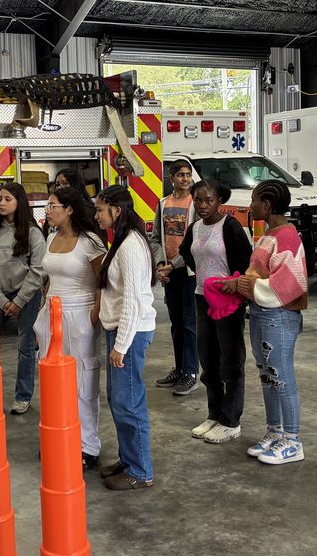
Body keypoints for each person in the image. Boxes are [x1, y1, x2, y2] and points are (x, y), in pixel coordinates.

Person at [34, 187, 107, 471]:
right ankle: (57, 437)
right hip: (51, 315)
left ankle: (87, 446)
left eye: (53, 206)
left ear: (69, 209)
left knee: (82, 383)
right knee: (53, 381)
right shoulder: (51, 237)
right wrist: (44, 309)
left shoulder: (89, 241)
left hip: (80, 313)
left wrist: (93, 316)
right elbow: (51, 278)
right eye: (48, 205)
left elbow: (103, 280)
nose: (48, 210)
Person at [238, 179, 309, 465]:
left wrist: (243, 285)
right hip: (261, 313)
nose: (250, 205)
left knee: (282, 378)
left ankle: (293, 440)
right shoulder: (269, 234)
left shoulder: (287, 237)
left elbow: (289, 285)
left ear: (267, 205)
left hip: (279, 317)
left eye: (254, 200)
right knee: (268, 377)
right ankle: (275, 431)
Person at [93, 185, 157, 490]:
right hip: (119, 330)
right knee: (118, 400)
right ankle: (129, 459)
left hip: (129, 332)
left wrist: (121, 345)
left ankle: (141, 471)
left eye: (100, 210)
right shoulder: (121, 241)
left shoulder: (130, 245)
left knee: (128, 402)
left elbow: (133, 299)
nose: (96, 216)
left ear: (116, 210)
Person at [179, 179, 253, 444]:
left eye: (208, 200)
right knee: (208, 359)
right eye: (198, 200)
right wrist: (200, 274)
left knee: (231, 360)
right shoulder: (195, 228)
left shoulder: (230, 226)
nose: (202, 205)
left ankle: (231, 421)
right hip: (202, 298)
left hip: (227, 301)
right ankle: (215, 414)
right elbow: (185, 251)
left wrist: (233, 288)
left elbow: (245, 262)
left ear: (219, 201)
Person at [0, 182, 47, 415]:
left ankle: (22, 396)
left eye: (8, 199)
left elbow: (38, 270)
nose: (2, 204)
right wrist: (0, 299)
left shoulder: (32, 233)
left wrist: (19, 301)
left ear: (19, 202)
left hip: (26, 295)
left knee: (25, 346)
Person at [149, 159, 199, 396]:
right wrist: (161, 264)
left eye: (188, 174)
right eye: (180, 175)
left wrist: (174, 264)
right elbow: (155, 238)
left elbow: (195, 243)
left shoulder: (195, 204)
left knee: (190, 324)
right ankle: (179, 369)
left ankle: (191, 373)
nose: (185, 179)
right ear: (171, 179)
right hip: (169, 273)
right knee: (176, 323)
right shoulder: (163, 203)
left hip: (188, 272)